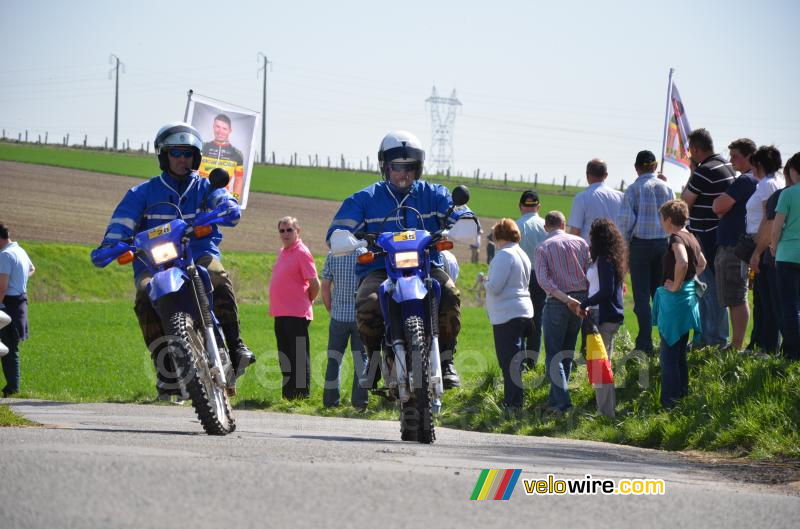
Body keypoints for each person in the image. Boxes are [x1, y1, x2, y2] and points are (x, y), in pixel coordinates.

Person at [95, 122, 255, 402]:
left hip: (198, 253)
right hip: (154, 262)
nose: (182, 159)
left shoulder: (206, 187)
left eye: (188, 154)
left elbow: (225, 202)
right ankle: (166, 373)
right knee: (145, 295)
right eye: (176, 153)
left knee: (218, 277)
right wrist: (112, 244)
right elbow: (121, 224)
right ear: (164, 156)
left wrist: (225, 208)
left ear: (196, 158)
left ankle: (236, 345)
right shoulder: (141, 193)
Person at [326, 130, 465, 389]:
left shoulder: (435, 194)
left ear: (419, 168)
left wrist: (465, 223)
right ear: (385, 167)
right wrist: (346, 239)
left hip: (426, 266)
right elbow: (336, 233)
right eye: (397, 167)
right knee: (367, 303)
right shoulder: (364, 199)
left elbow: (460, 214)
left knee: (449, 294)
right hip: (381, 268)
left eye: (410, 167)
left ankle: (445, 361)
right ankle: (375, 360)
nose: (404, 173)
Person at [617, 150, 675, 355]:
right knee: (660, 293)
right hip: (663, 245)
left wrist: (623, 255)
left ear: (637, 167)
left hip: (640, 246)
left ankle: (644, 342)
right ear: (655, 166)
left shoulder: (633, 189)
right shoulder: (668, 188)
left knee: (641, 297)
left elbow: (625, 225)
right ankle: (667, 340)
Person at [682, 128, 735, 347]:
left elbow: (684, 202)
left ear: (695, 149)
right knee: (708, 290)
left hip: (705, 237)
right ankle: (709, 337)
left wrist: (693, 172)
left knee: (708, 290)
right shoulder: (726, 165)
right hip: (718, 236)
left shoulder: (705, 171)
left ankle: (713, 340)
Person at [535, 211, 590, 414]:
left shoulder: (543, 247)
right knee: (567, 353)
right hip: (581, 301)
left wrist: (566, 299)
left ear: (546, 226)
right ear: (564, 224)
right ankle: (555, 402)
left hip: (559, 301)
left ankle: (564, 403)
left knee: (552, 356)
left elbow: (543, 281)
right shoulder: (581, 243)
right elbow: (590, 271)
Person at [652, 200, 705, 409]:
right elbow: (702, 263)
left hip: (675, 303)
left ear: (668, 219)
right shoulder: (691, 236)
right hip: (688, 302)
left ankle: (669, 404)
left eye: (661, 219)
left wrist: (675, 285)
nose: (661, 223)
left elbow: (682, 262)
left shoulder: (675, 238)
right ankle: (683, 399)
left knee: (669, 356)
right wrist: (688, 281)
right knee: (680, 353)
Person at [711, 138, 758, 351]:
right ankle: (736, 343)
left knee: (737, 297)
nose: (731, 161)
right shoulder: (751, 179)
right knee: (733, 296)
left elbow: (718, 206)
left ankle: (737, 345)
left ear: (749, 156)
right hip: (734, 245)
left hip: (734, 247)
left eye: (735, 156)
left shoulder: (746, 180)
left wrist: (720, 207)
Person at [483, 219, 533, 410]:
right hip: (523, 311)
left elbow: (495, 287)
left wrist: (484, 281)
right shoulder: (522, 253)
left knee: (509, 362)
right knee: (516, 361)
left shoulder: (504, 255)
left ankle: (512, 403)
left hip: (507, 314)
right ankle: (515, 400)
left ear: (498, 236)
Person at [270, 216, 320, 400]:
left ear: (298, 231)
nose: (285, 234)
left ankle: (300, 397)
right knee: (285, 357)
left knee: (298, 357)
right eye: (282, 230)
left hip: (297, 313)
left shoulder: (301, 252)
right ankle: (288, 396)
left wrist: (307, 301)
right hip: (281, 313)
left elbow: (315, 283)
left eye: (289, 230)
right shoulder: (283, 251)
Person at [746, 145, 785, 353]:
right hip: (768, 246)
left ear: (758, 164)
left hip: (763, 246)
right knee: (764, 299)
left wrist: (757, 252)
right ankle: (760, 343)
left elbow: (766, 221)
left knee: (765, 300)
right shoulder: (776, 182)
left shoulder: (766, 185)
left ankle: (767, 346)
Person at [321, 247, 368, 410]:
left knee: (334, 360)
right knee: (361, 360)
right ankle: (360, 403)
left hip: (339, 316)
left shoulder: (333, 254)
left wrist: (330, 310)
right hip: (360, 315)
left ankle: (330, 402)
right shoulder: (364, 253)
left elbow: (325, 286)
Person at [578, 218, 626, 359]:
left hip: (603, 315)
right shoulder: (609, 258)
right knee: (603, 364)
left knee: (599, 366)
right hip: (604, 314)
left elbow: (606, 291)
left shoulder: (605, 260)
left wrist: (585, 303)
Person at [770, 152, 800, 359]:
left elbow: (776, 227)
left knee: (789, 305)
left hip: (787, 255)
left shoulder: (788, 194)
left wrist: (773, 246)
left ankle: (792, 352)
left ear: (793, 171)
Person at [0, 223, 35, 398]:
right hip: (20, 303)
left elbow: (2, 287)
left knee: (7, 349)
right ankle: (12, 387)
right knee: (9, 348)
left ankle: (12, 388)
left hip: (8, 306)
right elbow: (31, 269)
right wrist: (20, 279)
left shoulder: (5, 255)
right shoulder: (20, 251)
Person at [515, 190, 547, 364]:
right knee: (537, 319)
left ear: (520, 207)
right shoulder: (546, 226)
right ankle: (532, 362)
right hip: (541, 277)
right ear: (538, 207)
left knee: (520, 318)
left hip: (521, 276)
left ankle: (519, 360)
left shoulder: (515, 226)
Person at [568, 159, 623, 242]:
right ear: (606, 175)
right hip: (614, 249)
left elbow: (575, 231)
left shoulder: (582, 197)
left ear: (587, 175)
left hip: (589, 250)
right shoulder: (620, 196)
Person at [200, 114, 245, 202]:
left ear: (230, 131)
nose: (220, 131)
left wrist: (235, 200)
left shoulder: (237, 154)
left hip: (222, 199)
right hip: (200, 196)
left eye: (224, 128)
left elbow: (238, 180)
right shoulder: (202, 147)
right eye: (217, 127)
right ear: (213, 127)